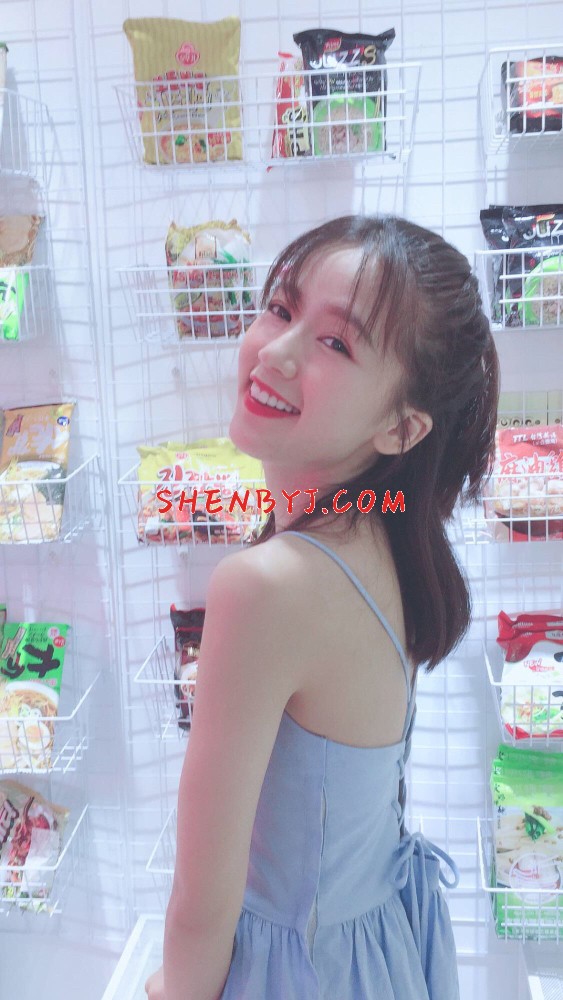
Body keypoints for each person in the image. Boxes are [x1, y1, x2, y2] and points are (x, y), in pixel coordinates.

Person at [145, 215, 500, 1000]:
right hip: (376, 949)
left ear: (402, 427)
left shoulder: (267, 586)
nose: (275, 352)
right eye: (280, 307)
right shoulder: (386, 536)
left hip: (294, 970)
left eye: (334, 343)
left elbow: (202, 904)